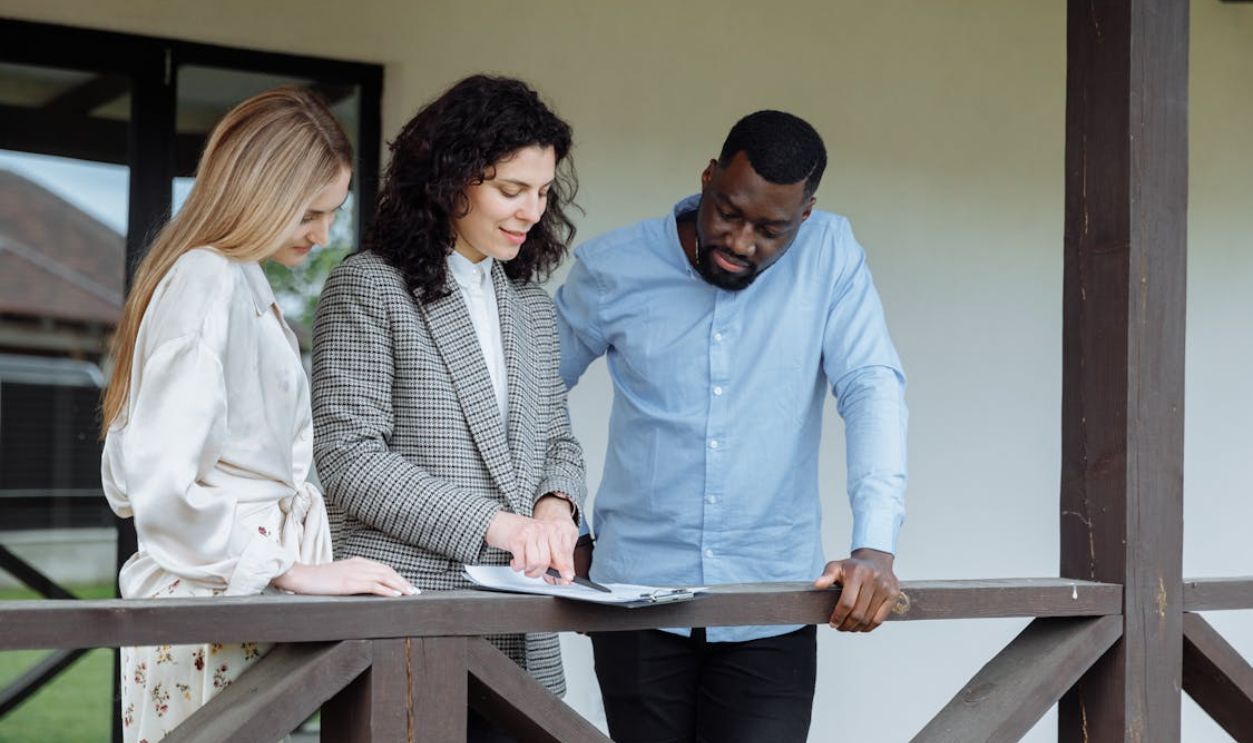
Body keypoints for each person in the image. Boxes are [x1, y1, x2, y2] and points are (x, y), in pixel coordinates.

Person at [555, 110, 908, 743]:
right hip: (635, 598)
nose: (742, 242)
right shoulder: (614, 266)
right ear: (709, 177)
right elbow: (532, 395)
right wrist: (559, 519)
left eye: (771, 229)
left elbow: (872, 387)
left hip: (772, 604)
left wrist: (874, 546)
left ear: (805, 215)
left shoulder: (832, 256)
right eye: (728, 212)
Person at [100, 87, 416, 743]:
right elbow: (161, 481)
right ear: (260, 192)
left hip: (225, 600)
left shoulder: (231, 276)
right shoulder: (206, 279)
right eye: (309, 212)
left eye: (334, 213)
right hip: (206, 603)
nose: (324, 233)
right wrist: (288, 567)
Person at [311, 75, 586, 740]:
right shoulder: (368, 286)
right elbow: (349, 460)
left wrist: (555, 507)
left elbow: (559, 442)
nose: (530, 210)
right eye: (510, 189)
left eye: (543, 192)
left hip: (521, 635)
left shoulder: (529, 306)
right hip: (405, 624)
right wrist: (504, 526)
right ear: (448, 178)